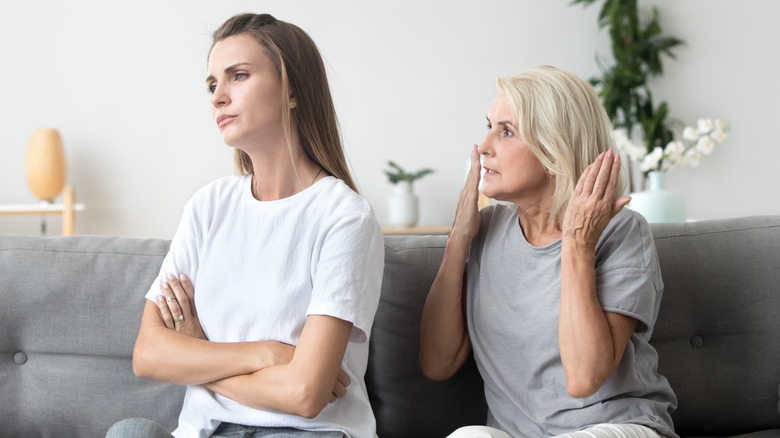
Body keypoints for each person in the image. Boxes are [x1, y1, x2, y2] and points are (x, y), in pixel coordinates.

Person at [106, 13, 384, 438]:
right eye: (213, 84)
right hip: (205, 431)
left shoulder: (344, 217)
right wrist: (269, 354)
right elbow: (148, 354)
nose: (218, 96)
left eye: (238, 75)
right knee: (130, 432)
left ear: (292, 89)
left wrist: (198, 357)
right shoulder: (208, 206)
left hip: (303, 433)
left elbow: (306, 394)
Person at [419, 66, 677, 438]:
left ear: (555, 153)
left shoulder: (622, 231)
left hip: (613, 426)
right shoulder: (486, 230)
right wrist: (458, 239)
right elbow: (436, 364)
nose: (484, 146)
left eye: (506, 131)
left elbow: (584, 378)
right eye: (489, 125)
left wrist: (577, 244)